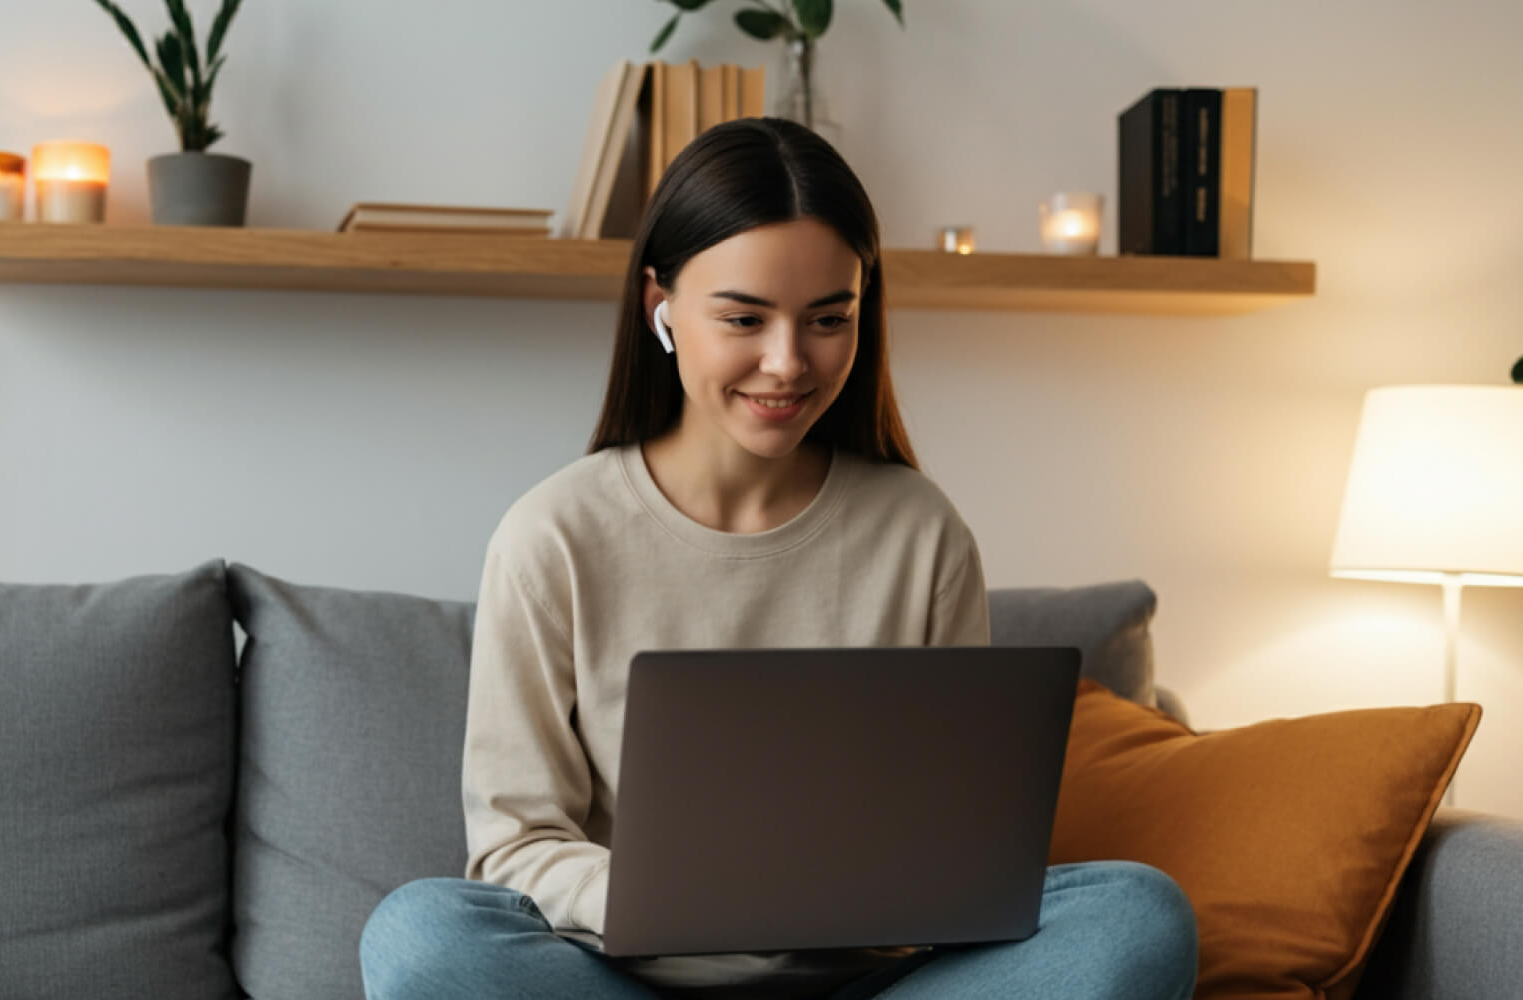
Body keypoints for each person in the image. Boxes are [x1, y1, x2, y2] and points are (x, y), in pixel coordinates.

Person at [359, 117, 1198, 1000]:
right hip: (626, 981)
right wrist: (686, 903)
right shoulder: (552, 537)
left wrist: (883, 902)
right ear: (662, 310)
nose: (788, 362)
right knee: (421, 936)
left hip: (875, 983)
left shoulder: (922, 532)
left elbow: (958, 841)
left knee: (1136, 913)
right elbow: (512, 848)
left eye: (828, 318)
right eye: (743, 318)